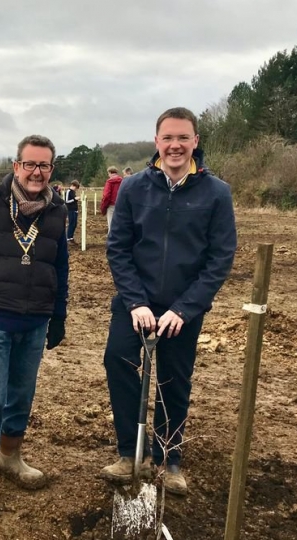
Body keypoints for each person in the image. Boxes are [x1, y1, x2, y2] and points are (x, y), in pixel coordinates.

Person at [101, 107, 236, 497]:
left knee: (174, 380)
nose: (175, 145)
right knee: (119, 361)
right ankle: (130, 452)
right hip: (135, 303)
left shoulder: (216, 193)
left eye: (183, 138)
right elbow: (119, 249)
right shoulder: (133, 188)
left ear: (195, 142)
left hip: (183, 308)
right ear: (156, 141)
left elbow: (219, 258)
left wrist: (185, 308)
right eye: (168, 137)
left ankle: (166, 458)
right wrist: (135, 302)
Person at [0, 134, 69, 510]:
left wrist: (58, 315)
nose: (37, 172)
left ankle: (10, 457)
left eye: (44, 165)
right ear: (16, 166)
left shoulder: (57, 211)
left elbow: (61, 266)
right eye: (30, 164)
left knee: (21, 394)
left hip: (35, 320)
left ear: (52, 169)